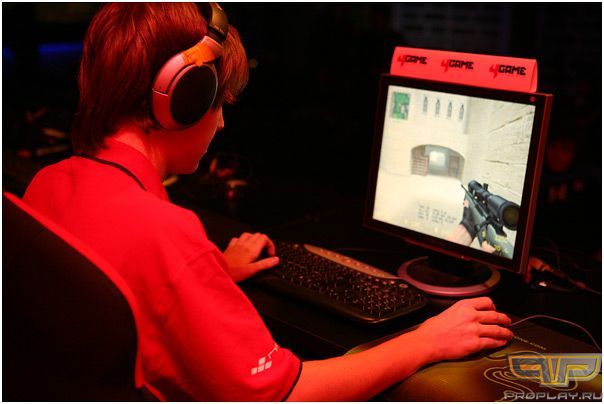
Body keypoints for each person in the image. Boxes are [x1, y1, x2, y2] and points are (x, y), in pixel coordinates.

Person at [23, 3, 513, 401]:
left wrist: (208, 274)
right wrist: (426, 341)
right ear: (181, 99)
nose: (221, 123)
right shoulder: (165, 234)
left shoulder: (49, 183)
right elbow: (289, 393)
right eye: (217, 102)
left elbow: (121, 287)